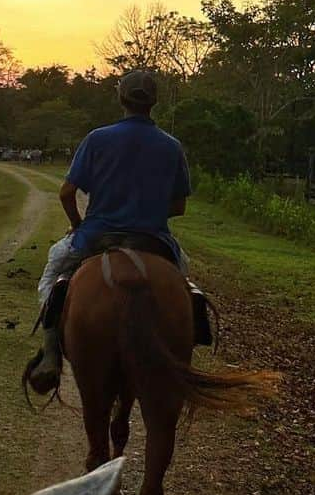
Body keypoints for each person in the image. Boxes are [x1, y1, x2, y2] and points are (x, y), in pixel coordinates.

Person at [26, 69, 196, 396]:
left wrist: (77, 224)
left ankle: (50, 352)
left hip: (96, 236)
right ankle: (186, 347)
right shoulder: (172, 146)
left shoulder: (97, 138)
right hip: (154, 239)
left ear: (121, 99)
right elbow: (178, 208)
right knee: (183, 282)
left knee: (52, 271)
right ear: (154, 103)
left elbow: (66, 192)